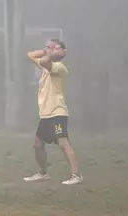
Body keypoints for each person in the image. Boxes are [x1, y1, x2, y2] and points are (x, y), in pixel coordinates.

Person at [23, 39, 83, 185]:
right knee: (38, 143)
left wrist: (52, 53)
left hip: (57, 111)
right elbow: (30, 55)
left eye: (49, 47)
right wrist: (47, 50)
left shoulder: (59, 67)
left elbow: (44, 62)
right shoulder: (46, 64)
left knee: (63, 143)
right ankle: (43, 173)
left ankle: (76, 175)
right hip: (45, 113)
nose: (46, 49)